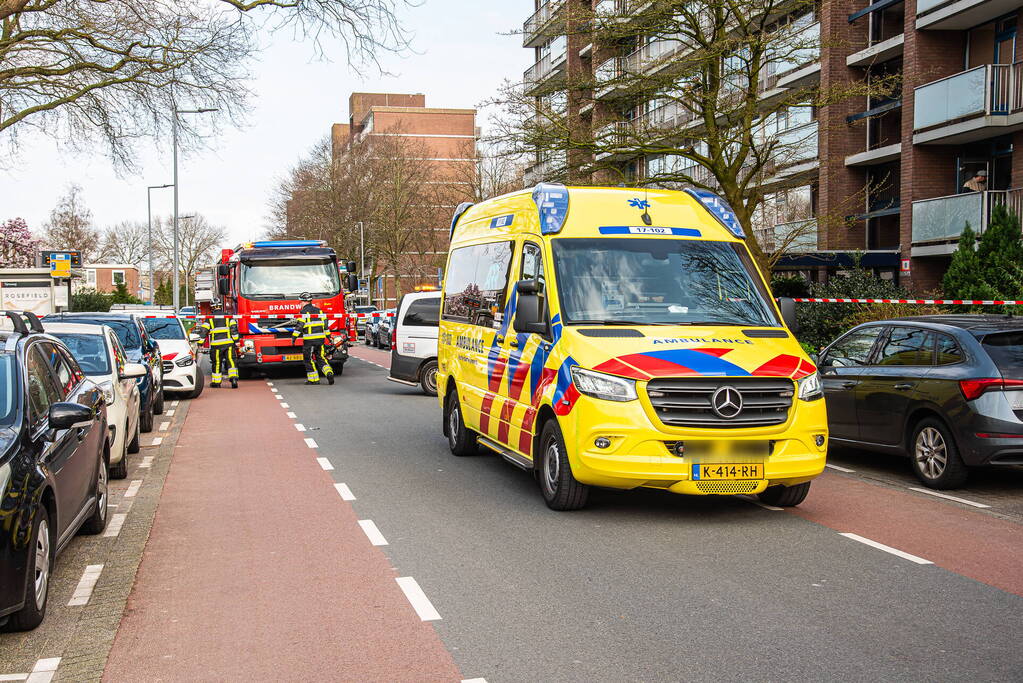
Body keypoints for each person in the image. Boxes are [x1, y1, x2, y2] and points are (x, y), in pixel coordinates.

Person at [292, 293, 335, 385]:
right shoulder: (319, 311)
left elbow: (300, 326)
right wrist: (328, 337)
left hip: (309, 341)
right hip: (320, 340)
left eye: (300, 302)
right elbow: (326, 326)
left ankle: (313, 379)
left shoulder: (303, 312)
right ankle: (329, 373)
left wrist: (294, 337)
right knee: (321, 358)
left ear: (303, 302)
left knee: (308, 359)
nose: (300, 304)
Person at [198, 310, 240, 388]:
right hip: (229, 344)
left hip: (216, 345)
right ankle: (234, 379)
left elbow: (204, 331)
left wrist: (200, 342)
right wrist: (236, 340)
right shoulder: (228, 316)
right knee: (231, 361)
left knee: (217, 363)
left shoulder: (210, 318)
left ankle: (216, 383)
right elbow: (233, 328)